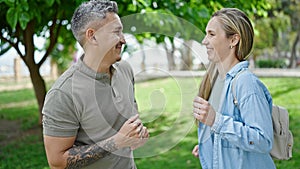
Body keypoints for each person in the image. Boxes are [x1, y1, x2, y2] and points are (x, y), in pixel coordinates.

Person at [42, 0, 149, 168]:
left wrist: (137, 135)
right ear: (92, 36)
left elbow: (129, 123)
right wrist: (116, 142)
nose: (123, 40)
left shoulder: (125, 70)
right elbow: (57, 161)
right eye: (116, 32)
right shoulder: (63, 93)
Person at [191, 8, 276, 169]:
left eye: (211, 34)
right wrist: (210, 147)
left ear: (233, 40)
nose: (204, 41)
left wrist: (215, 121)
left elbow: (263, 140)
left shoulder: (246, 83)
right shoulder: (215, 80)